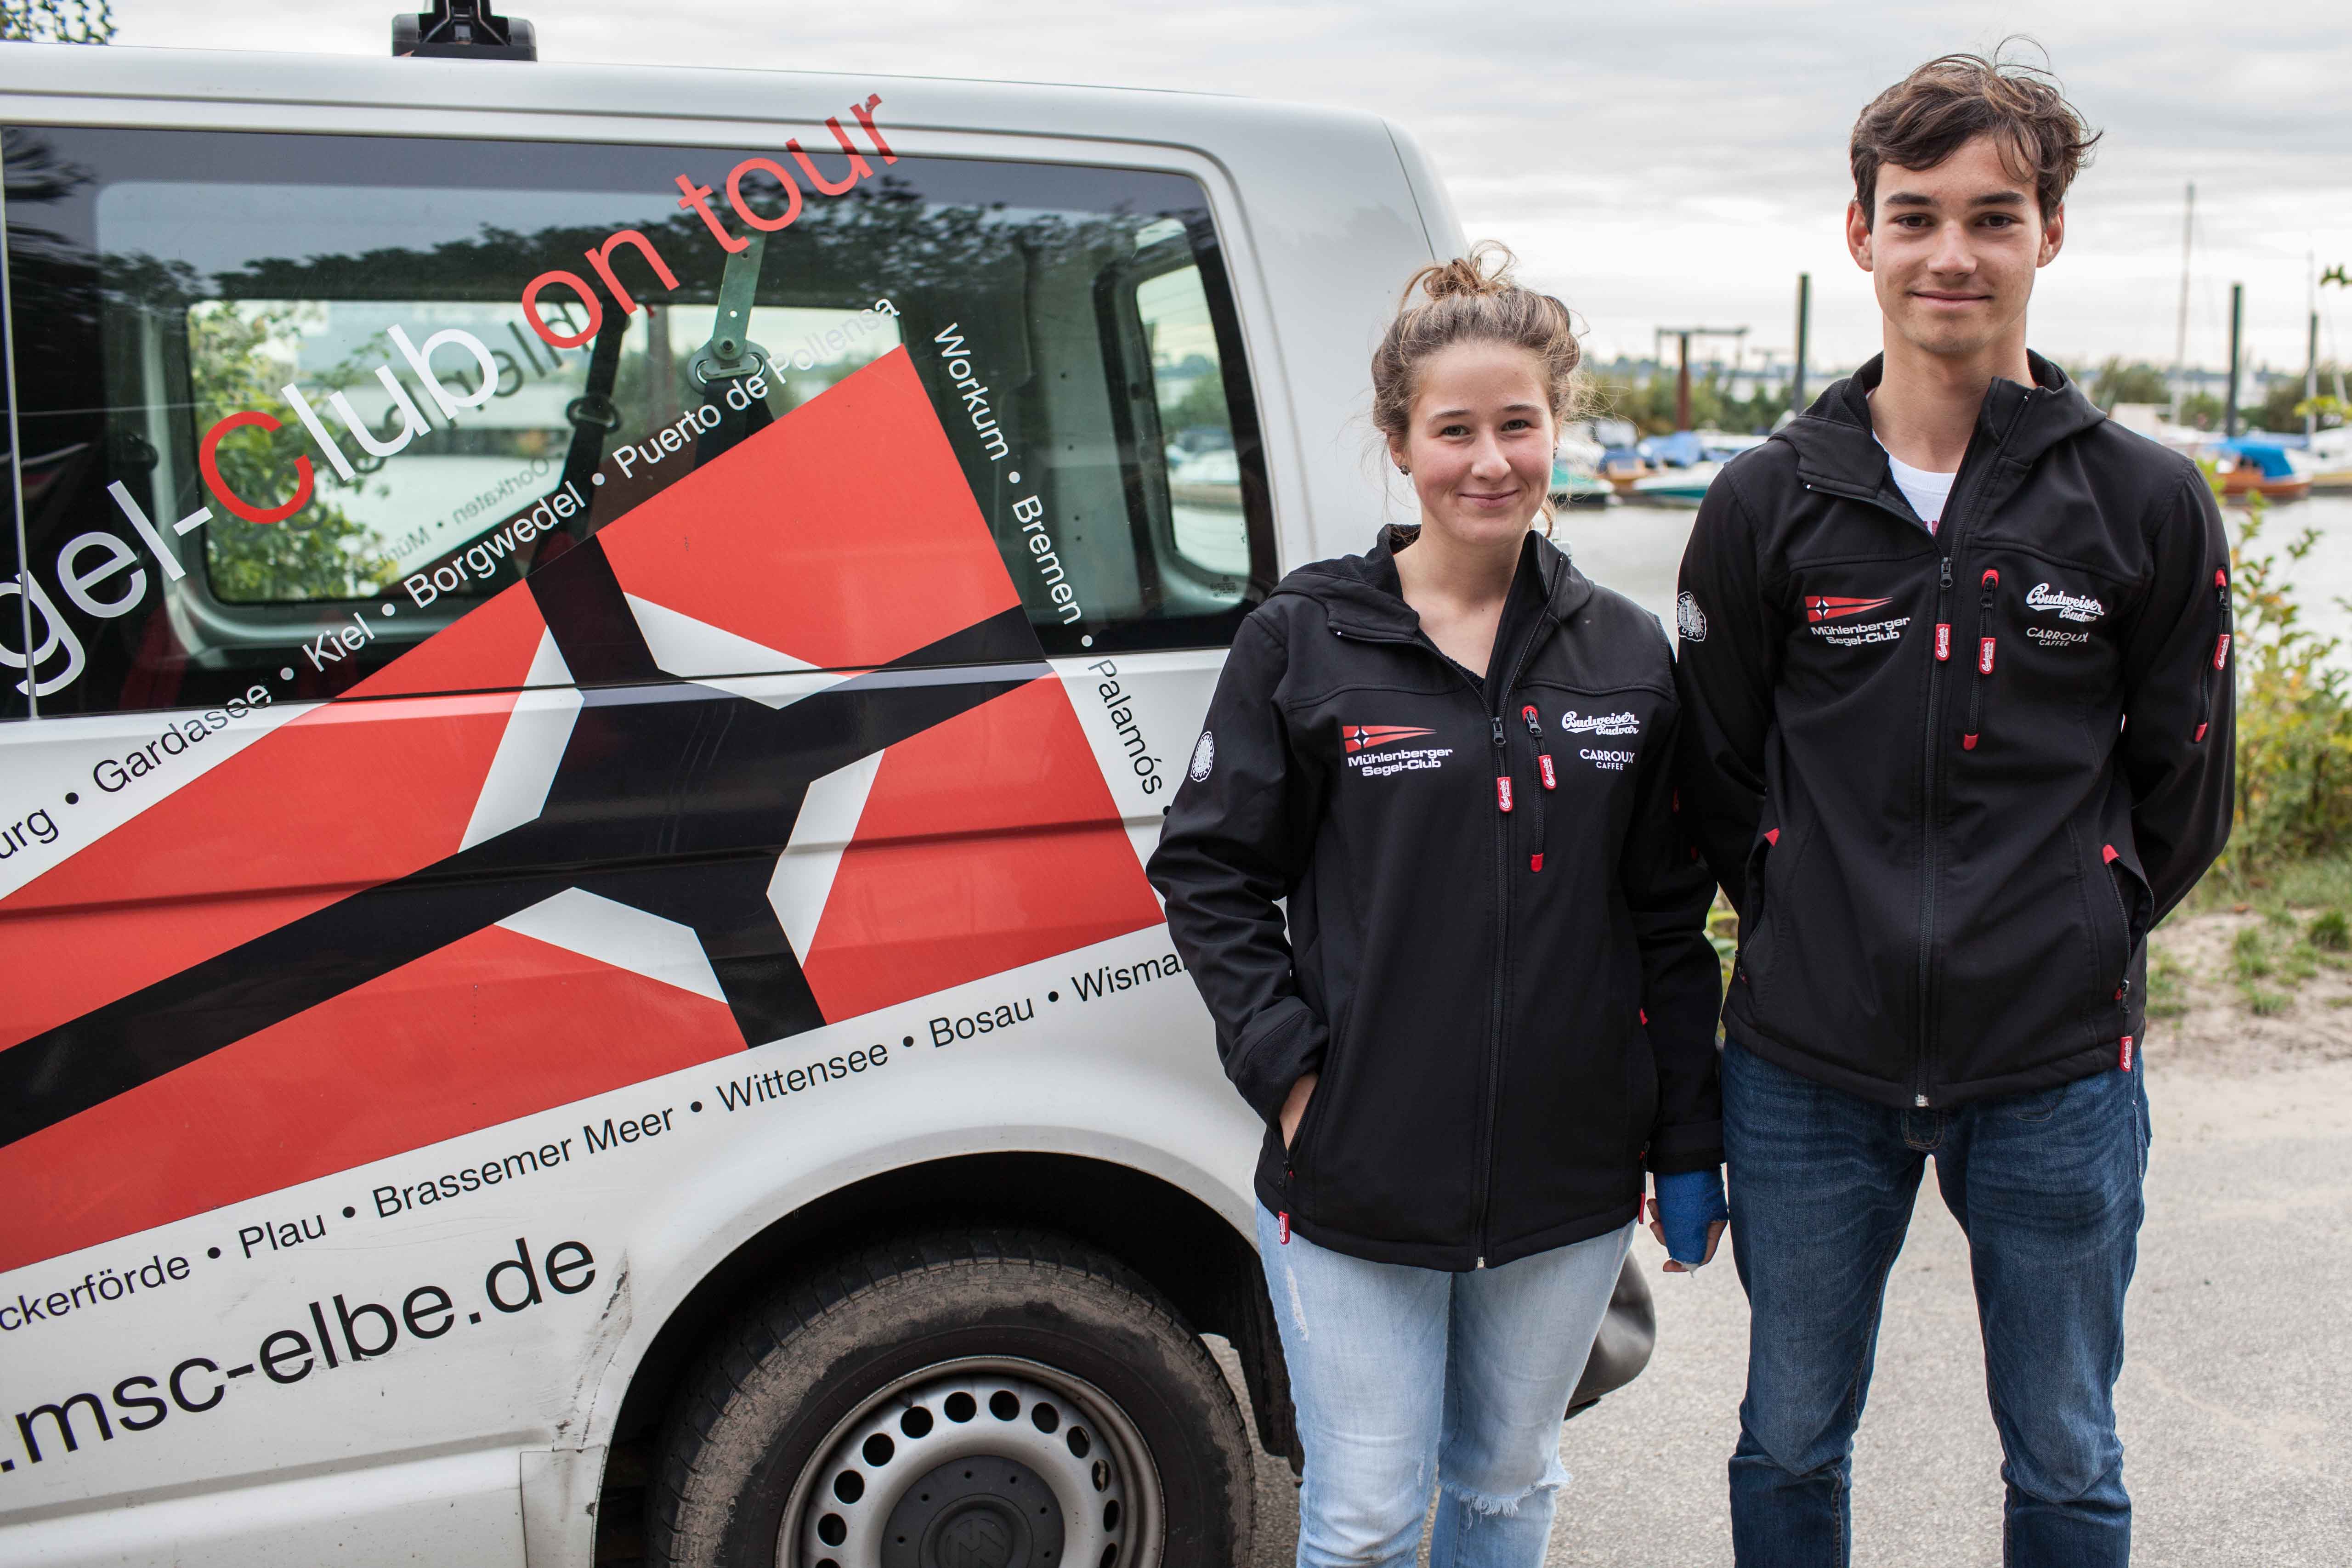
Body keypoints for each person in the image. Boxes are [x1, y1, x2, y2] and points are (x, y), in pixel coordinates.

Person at [1673, 50, 2234, 1568]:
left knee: (2068, 1457)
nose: (1953, 254)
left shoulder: (2146, 502)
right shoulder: (1767, 501)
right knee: (1789, 1440)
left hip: (2054, 1065)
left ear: (2050, 233)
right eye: (1916, 215)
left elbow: (2187, 787)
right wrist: (1810, 921)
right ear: (1860, 233)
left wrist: (2080, 927)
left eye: (1995, 216)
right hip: (1808, 1061)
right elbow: (1717, 775)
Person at [1147, 245, 1726, 1568]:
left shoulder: (1626, 651)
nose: (1489, 461)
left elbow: (1667, 919)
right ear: (1401, 443)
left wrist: (1687, 1137)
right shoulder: (1307, 638)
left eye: (1518, 425)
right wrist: (1295, 1076)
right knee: (1361, 1519)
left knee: (1510, 1484)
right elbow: (1209, 871)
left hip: (1571, 1171)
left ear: (1558, 429)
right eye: (1453, 430)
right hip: (1357, 1164)